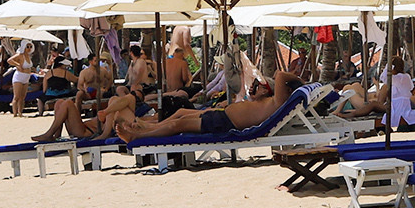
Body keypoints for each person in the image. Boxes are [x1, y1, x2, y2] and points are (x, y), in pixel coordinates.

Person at [118, 74, 303, 142]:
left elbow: (280, 75)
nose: (256, 87)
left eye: (260, 85)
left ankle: (138, 136)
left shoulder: (278, 102)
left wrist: (300, 82)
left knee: (179, 124)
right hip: (222, 117)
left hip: (224, 122)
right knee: (180, 119)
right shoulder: (268, 101)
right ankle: (146, 128)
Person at [5, 39, 37, 116]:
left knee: (23, 97)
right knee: (16, 96)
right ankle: (15, 113)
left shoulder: (28, 56)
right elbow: (9, 60)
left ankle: (20, 112)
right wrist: (17, 65)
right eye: (27, 46)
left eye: (30, 46)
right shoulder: (20, 55)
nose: (29, 48)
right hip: (19, 77)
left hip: (26, 78)